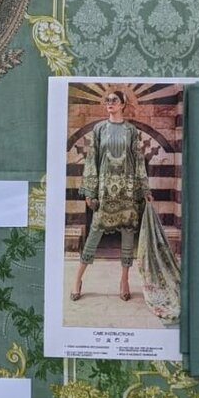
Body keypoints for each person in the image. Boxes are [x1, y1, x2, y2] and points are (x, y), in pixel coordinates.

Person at [70, 90, 153, 302]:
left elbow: (139, 160)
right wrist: (90, 191)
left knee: (128, 232)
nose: (110, 103)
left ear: (123, 104)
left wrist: (144, 189)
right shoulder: (99, 129)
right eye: (107, 100)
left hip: (126, 190)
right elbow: (91, 160)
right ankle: (77, 279)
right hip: (105, 190)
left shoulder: (131, 131)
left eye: (114, 100)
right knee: (94, 233)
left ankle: (124, 280)